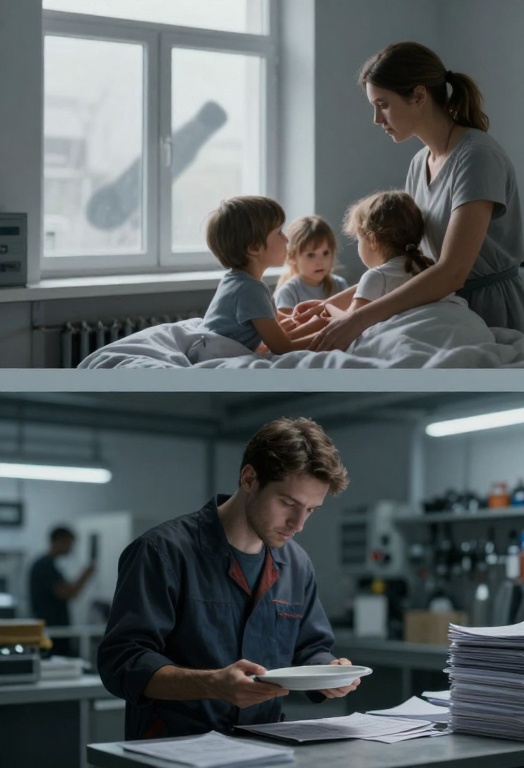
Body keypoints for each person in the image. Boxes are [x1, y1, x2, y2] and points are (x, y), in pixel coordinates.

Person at [98, 418, 358, 740]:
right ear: (249, 478)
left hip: (265, 744)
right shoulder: (162, 553)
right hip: (175, 747)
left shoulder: (296, 564)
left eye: (311, 510)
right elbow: (123, 662)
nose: (298, 523)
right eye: (288, 503)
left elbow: (310, 648)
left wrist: (329, 671)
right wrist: (212, 684)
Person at [297, 41, 524, 349]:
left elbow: (452, 272)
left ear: (419, 96)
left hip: (489, 312)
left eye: (383, 104)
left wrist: (357, 319)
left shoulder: (477, 157)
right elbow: (410, 266)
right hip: (442, 314)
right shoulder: (419, 163)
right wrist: (328, 305)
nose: (377, 119)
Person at [201, 196, 324, 355]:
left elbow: (273, 318)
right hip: (216, 355)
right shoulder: (250, 290)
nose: (286, 239)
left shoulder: (237, 281)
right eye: (279, 232)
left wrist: (301, 318)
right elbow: (282, 347)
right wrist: (326, 335)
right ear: (254, 248)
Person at [342, 190, 455, 310]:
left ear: (373, 240)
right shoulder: (429, 269)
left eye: (358, 240)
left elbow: (351, 319)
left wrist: (330, 308)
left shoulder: (376, 276)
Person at [28, 526, 95, 657]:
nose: (71, 548)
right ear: (59, 541)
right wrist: (86, 574)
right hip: (52, 631)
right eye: (69, 543)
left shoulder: (49, 565)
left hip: (55, 629)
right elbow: (67, 593)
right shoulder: (44, 566)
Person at [273, 215, 349, 316]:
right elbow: (286, 325)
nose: (320, 261)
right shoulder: (287, 292)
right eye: (311, 255)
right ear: (292, 257)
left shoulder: (339, 284)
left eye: (325, 253)